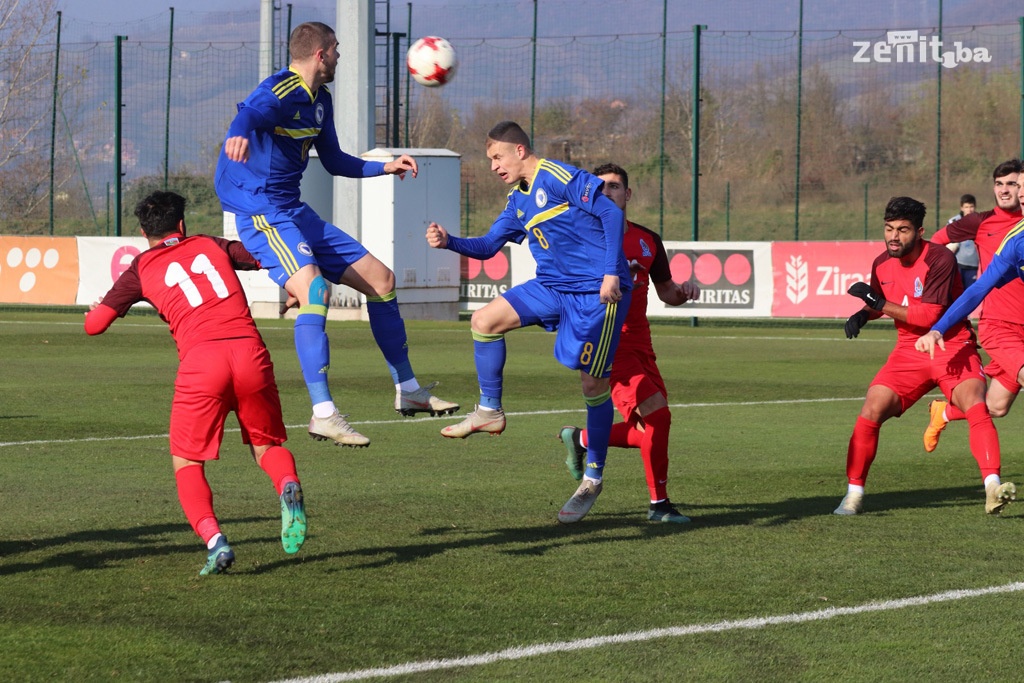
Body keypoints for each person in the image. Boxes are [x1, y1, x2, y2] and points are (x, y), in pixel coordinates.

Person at [214, 20, 458, 449]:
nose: (341, 56)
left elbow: (335, 161)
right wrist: (237, 133)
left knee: (381, 280)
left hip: (294, 210)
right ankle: (323, 414)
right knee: (316, 292)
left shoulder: (319, 101)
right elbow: (251, 113)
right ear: (321, 54)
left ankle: (409, 390)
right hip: (261, 211)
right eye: (337, 49)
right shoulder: (282, 88)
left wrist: (386, 165)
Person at [84, 191, 308, 575]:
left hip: (202, 364)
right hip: (250, 353)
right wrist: (294, 285)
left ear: (143, 232)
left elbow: (94, 326)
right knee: (266, 445)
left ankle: (216, 542)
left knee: (187, 461)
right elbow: (263, 255)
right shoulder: (210, 244)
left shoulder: (140, 266)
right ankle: (287, 483)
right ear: (182, 225)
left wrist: (101, 307)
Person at [425, 121, 631, 524]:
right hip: (552, 286)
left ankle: (592, 477)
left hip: (596, 292)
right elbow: (487, 245)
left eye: (496, 157)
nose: (492, 166)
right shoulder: (517, 201)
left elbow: (609, 211)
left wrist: (611, 272)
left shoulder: (556, 176)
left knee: (592, 383)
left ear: (520, 150)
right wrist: (449, 241)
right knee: (484, 320)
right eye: (489, 160)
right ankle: (489, 410)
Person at [837, 196, 1013, 516]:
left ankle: (992, 487)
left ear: (919, 232)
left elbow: (927, 316)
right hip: (908, 351)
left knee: (976, 406)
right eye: (889, 229)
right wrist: (864, 315)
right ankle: (853, 494)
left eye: (902, 230)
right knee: (871, 410)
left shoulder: (941, 258)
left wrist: (877, 303)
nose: (893, 236)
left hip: (951, 345)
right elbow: (884, 302)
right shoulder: (881, 262)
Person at [557, 163, 698, 524]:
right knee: (658, 415)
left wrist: (683, 293)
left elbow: (666, 291)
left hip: (642, 345)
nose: (608, 192)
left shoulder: (648, 239)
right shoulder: (578, 236)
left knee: (649, 428)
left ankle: (584, 437)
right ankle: (659, 506)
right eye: (600, 187)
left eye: (615, 187)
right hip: (606, 343)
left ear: (628, 194)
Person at [921, 160, 1023, 453]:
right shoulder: (996, 231)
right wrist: (939, 326)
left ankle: (945, 412)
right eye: (999, 184)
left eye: (1013, 184)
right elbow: (978, 287)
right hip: (1000, 326)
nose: (1006, 191)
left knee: (996, 406)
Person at [946, 193, 978, 287]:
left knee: (971, 294)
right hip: (957, 264)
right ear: (961, 208)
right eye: (966, 207)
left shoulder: (980, 222)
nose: (969, 209)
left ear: (975, 207)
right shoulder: (953, 222)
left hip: (973, 265)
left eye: (971, 206)